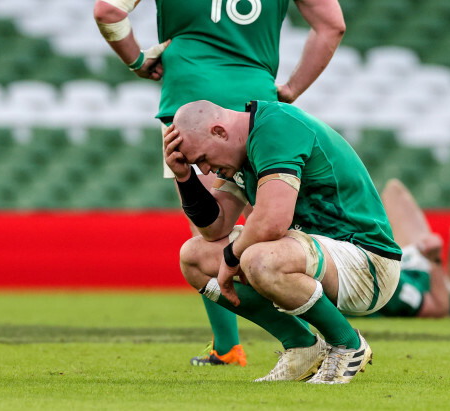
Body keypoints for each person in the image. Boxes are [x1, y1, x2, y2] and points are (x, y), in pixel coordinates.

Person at [93, 0, 346, 366]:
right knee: (281, 226)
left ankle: (234, 346)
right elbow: (332, 25)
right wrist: (290, 89)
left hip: (190, 102)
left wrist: (137, 60)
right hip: (258, 102)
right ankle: (335, 324)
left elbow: (107, 11)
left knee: (209, 235)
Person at [164, 100, 402, 383]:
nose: (204, 169)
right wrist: (184, 177)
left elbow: (271, 223)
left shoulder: (275, 128)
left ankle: (347, 344)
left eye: (201, 158)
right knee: (194, 256)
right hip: (316, 256)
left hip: (368, 264)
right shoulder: (241, 151)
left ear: (219, 131)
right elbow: (214, 229)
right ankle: (301, 346)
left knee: (258, 259)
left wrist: (230, 259)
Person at [371, 179, 449, 318]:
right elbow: (439, 307)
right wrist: (434, 260)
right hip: (412, 274)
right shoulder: (383, 282)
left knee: (393, 190)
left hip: (394, 266)